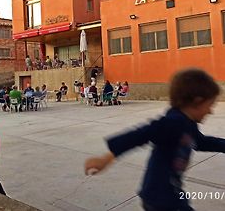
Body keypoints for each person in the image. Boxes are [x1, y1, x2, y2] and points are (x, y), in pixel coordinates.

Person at [85, 68, 225, 211]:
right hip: (160, 196)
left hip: (172, 192)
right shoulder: (172, 122)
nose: (210, 111)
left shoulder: (189, 123)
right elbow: (140, 135)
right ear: (197, 101)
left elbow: (200, 142)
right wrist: (105, 159)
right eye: (209, 105)